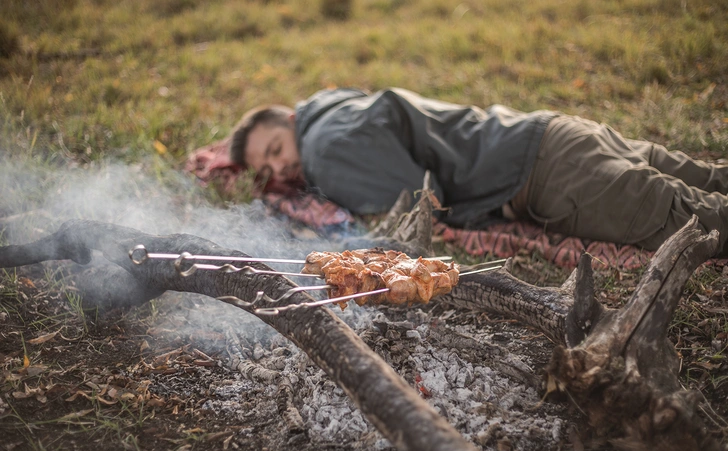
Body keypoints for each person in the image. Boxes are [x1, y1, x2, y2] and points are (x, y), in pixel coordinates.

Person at [229, 87, 728, 256]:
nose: (281, 167)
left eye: (275, 148)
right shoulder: (337, 107)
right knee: (713, 179)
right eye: (266, 167)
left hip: (556, 174)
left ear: (292, 121)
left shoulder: (325, 152)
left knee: (705, 224)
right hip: (555, 133)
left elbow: (419, 204)